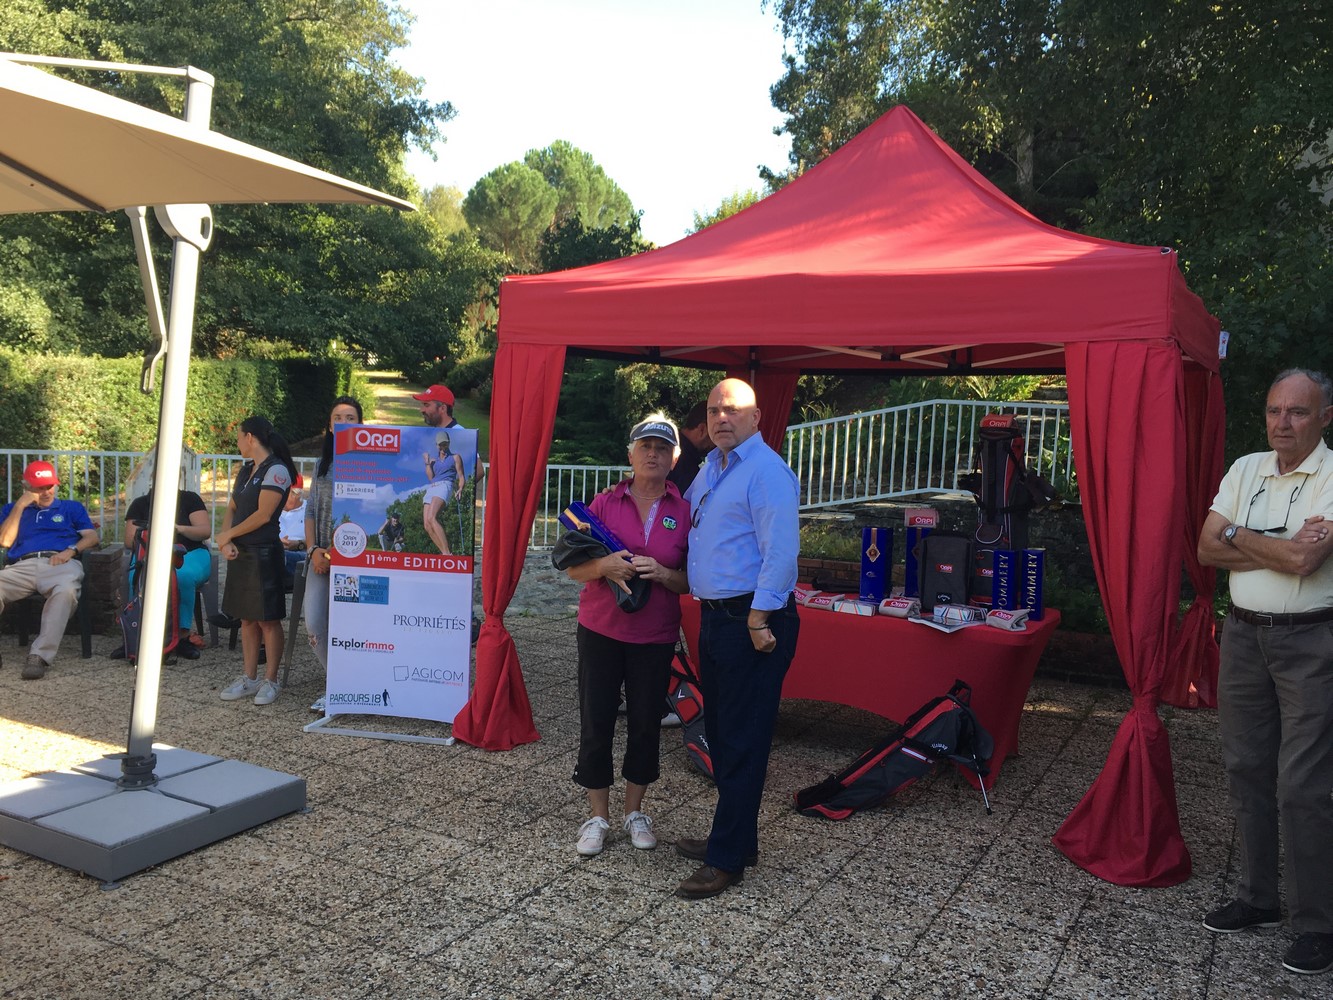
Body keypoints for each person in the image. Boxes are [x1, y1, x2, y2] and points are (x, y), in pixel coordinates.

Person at [1197, 367, 1333, 976]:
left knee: (1302, 784)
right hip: (1244, 636)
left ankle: (1317, 924)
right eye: (1275, 410)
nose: (1283, 422)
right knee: (1245, 767)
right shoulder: (1247, 467)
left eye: (1298, 412)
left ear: (1325, 417)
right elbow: (1206, 547)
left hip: (1311, 642)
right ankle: (1258, 898)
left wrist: (1239, 535)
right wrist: (1276, 543)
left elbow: (1306, 561)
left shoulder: (1331, 476)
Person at [675, 378, 800, 899]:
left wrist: (757, 619)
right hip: (717, 620)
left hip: (751, 621)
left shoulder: (766, 471)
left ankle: (726, 859)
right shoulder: (712, 467)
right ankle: (736, 839)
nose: (721, 418)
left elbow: (781, 552)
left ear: (755, 417)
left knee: (743, 740)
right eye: (713, 411)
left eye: (732, 409)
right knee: (724, 736)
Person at [562, 415, 691, 857]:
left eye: (662, 448)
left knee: (645, 725)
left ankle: (635, 812)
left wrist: (665, 573)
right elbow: (573, 569)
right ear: (630, 455)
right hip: (601, 629)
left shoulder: (685, 511)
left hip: (654, 634)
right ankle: (597, 816)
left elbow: (692, 581)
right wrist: (604, 566)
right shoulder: (602, 503)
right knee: (596, 721)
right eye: (645, 447)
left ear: (674, 458)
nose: (653, 454)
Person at [215, 416, 297, 706]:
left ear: (250, 437)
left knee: (268, 620)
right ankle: (249, 677)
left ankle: (271, 680)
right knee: (247, 618)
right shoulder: (246, 469)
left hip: (264, 552)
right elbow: (233, 507)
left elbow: (263, 515)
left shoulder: (277, 470)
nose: (237, 443)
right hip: (241, 552)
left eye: (239, 437)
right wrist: (226, 540)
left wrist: (228, 536)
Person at [0, 461, 100, 679]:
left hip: (60, 563)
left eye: (49, 486)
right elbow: (5, 541)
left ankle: (39, 656)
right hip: (22, 566)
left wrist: (71, 551)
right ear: (26, 487)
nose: (45, 492)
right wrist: (20, 506)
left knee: (65, 591)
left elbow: (92, 536)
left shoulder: (71, 508)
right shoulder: (10, 509)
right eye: (39, 488)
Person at [305, 396, 364, 714]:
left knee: (352, 628)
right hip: (321, 559)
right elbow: (311, 510)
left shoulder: (369, 462)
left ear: (361, 424)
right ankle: (338, 683)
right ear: (329, 426)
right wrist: (313, 550)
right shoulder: (321, 465)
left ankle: (347, 689)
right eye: (338, 417)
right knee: (315, 622)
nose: (343, 422)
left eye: (350, 417)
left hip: (355, 560)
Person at [122, 483, 212, 660]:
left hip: (190, 552)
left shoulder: (189, 499)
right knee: (137, 576)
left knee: (182, 576)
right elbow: (129, 540)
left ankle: (182, 636)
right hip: (150, 553)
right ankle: (137, 634)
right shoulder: (140, 503)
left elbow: (204, 531)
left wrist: (178, 528)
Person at [422, 431, 466, 555]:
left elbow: (461, 476)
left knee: (432, 518)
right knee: (427, 525)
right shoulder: (433, 461)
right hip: (432, 487)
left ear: (449, 443)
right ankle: (444, 553)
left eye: (445, 444)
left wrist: (460, 488)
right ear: (437, 445)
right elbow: (431, 478)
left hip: (445, 485)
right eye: (440, 445)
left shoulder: (455, 457)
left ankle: (447, 554)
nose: (443, 447)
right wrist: (427, 463)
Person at [667, 399, 713, 494]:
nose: (717, 444)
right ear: (702, 430)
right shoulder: (686, 463)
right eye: (715, 433)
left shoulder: (666, 445)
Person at [278, 473, 307, 585]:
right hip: (275, 551)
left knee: (280, 557)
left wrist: (298, 544)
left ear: (297, 494)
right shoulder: (272, 509)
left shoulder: (309, 510)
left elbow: (317, 542)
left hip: (301, 553)